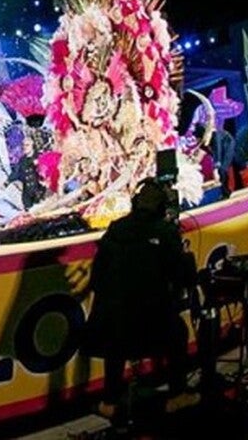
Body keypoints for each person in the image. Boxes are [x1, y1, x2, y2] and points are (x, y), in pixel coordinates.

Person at [83, 178, 199, 420]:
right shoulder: (165, 231)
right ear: (161, 207)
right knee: (178, 330)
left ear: (135, 203)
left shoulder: (116, 228)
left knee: (116, 336)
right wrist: (186, 258)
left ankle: (109, 401)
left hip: (111, 326)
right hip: (149, 326)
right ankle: (177, 395)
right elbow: (181, 276)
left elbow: (97, 277)